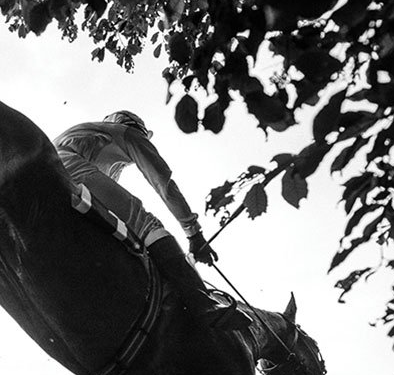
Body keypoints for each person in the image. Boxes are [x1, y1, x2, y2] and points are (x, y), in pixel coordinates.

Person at [54, 111, 250, 330]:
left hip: (52, 173)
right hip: (69, 170)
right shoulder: (128, 134)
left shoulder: (93, 142)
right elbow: (163, 183)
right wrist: (193, 233)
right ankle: (201, 303)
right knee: (147, 225)